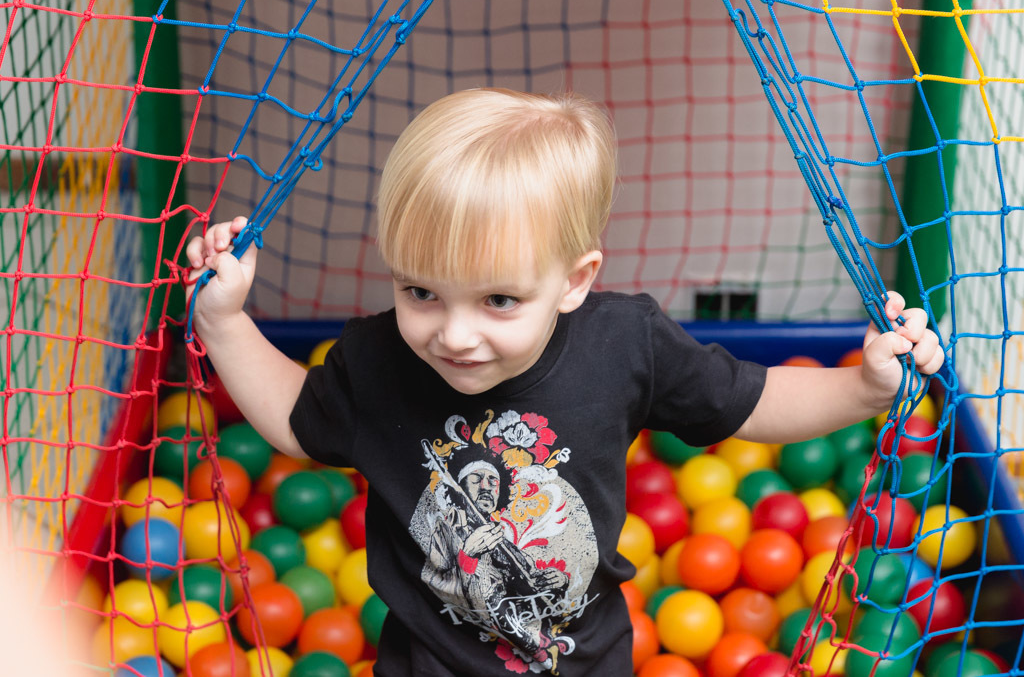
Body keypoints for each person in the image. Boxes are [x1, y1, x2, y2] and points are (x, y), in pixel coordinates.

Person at [185, 87, 943, 676]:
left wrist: (863, 391)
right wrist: (224, 323)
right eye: (420, 291)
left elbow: (750, 401)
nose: (454, 334)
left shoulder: (625, 344)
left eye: (498, 300)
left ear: (575, 281)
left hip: (585, 661)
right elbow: (295, 419)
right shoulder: (378, 358)